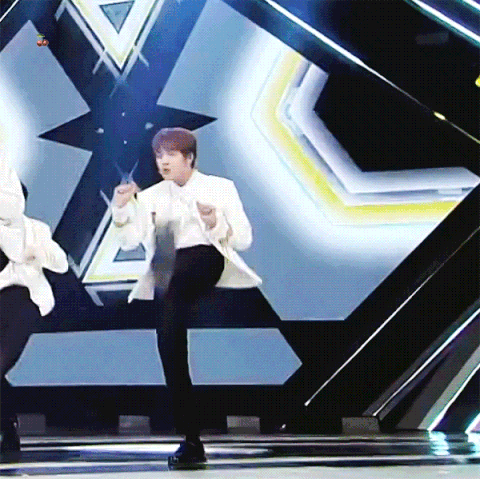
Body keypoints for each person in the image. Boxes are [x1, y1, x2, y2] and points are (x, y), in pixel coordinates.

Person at [112, 127, 261, 468]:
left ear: (189, 157)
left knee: (181, 270)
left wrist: (214, 222)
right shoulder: (151, 196)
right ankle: (191, 439)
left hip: (204, 257)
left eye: (171, 154)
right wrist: (121, 209)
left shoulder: (220, 187)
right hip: (168, 269)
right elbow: (129, 241)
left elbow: (244, 239)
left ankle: (192, 439)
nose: (163, 161)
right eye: (158, 155)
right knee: (168, 343)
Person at [0, 174, 69, 455]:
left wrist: (38, 252)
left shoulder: (36, 230)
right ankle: (7, 426)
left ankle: (7, 427)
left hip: (23, 301)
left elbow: (62, 263)